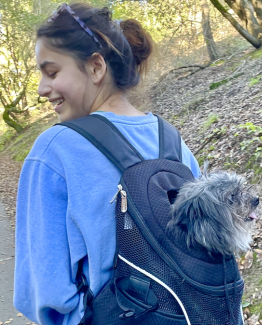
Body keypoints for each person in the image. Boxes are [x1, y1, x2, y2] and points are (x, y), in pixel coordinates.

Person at [14, 3, 201, 325]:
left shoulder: (55, 150)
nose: (43, 89)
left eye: (52, 72)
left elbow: (43, 294)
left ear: (96, 67)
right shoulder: (174, 142)